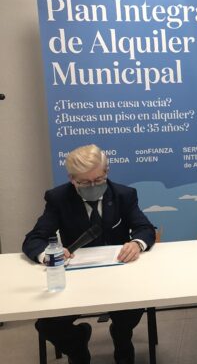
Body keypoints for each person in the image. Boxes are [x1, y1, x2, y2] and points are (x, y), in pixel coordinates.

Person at [22, 144, 156, 364]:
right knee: (47, 324)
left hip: (119, 275)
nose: (93, 186)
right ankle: (77, 345)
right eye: (84, 182)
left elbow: (145, 228)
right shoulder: (58, 198)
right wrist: (49, 255)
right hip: (76, 278)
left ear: (106, 172)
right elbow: (34, 238)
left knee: (131, 310)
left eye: (98, 179)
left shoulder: (123, 194)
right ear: (72, 179)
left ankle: (122, 337)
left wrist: (136, 244)